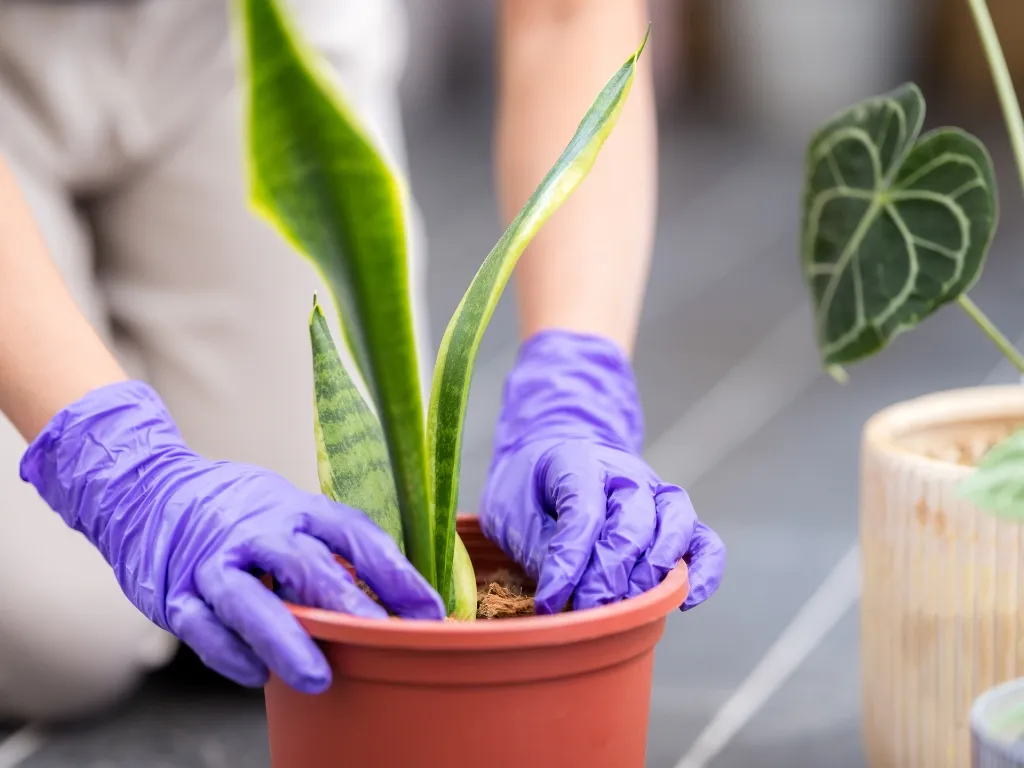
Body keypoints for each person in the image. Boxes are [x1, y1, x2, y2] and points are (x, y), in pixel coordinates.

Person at [0, 0, 726, 722]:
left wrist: (576, 385)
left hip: (242, 29)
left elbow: (567, 16)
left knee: (334, 560)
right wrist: (120, 468)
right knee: (60, 638)